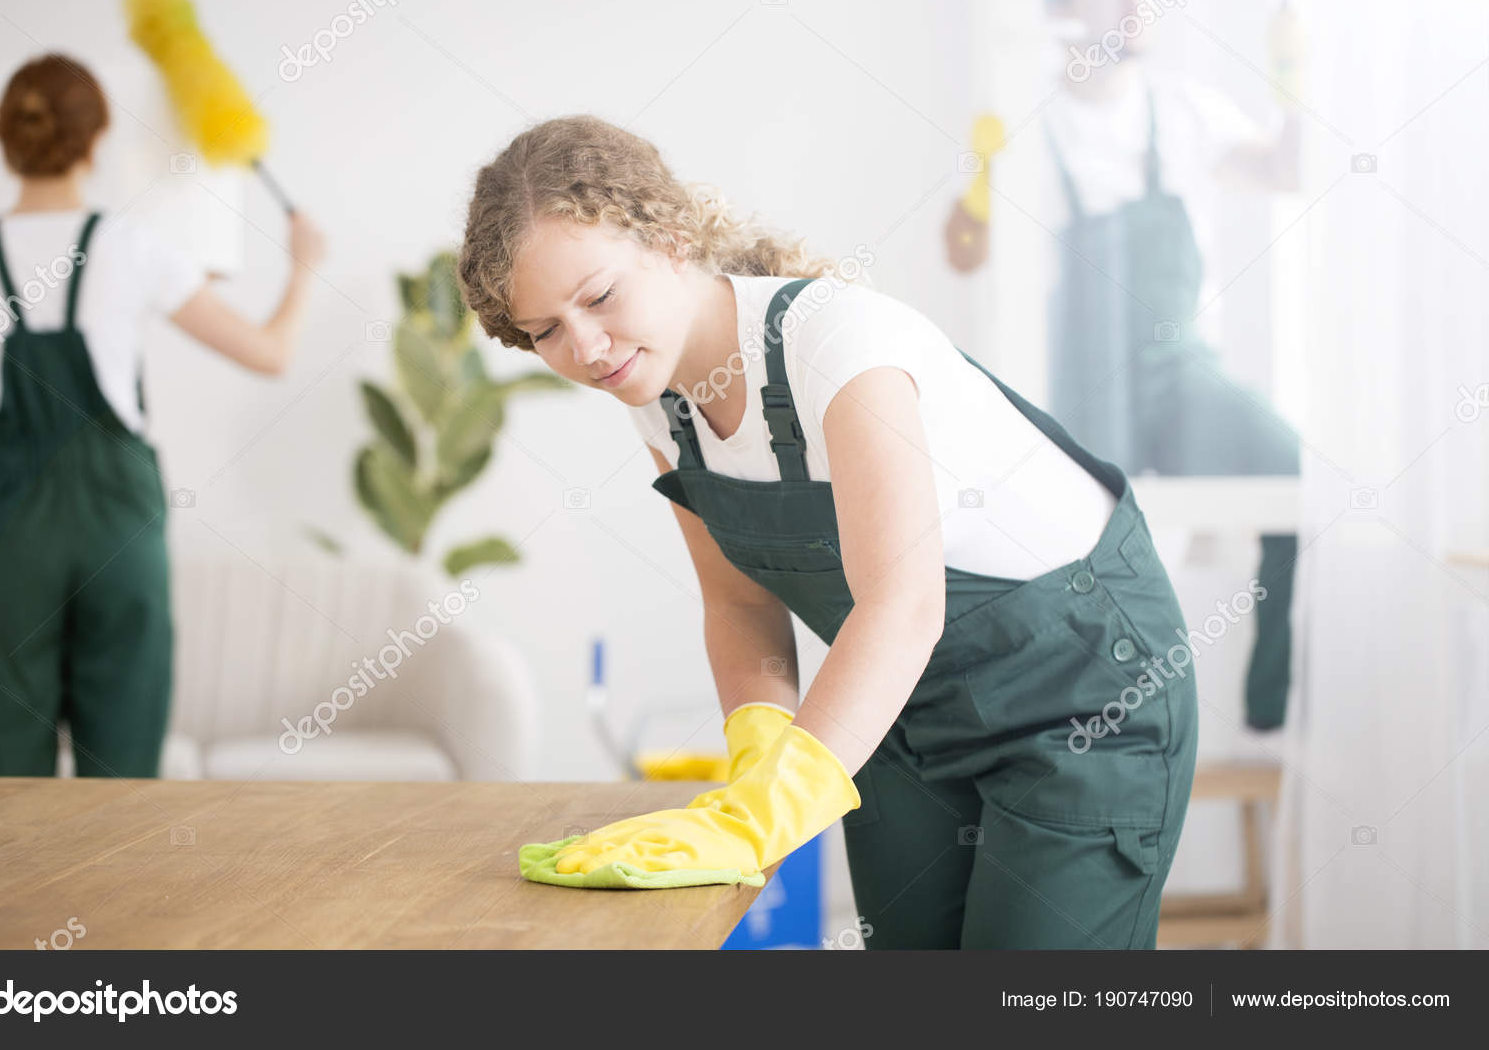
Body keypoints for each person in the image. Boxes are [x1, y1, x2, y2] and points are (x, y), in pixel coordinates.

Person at [457, 115, 1198, 948]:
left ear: (668, 239)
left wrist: (765, 818)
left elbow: (901, 605)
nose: (587, 347)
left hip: (1084, 696)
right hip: (903, 712)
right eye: (545, 330)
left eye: (598, 296)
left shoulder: (838, 345)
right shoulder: (662, 398)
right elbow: (738, 605)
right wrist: (755, 776)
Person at [0, 52, 326, 778]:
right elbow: (269, 353)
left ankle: (15, 893)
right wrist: (303, 269)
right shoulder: (132, 246)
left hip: (6, 527)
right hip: (115, 520)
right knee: (123, 751)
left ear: (7, 141)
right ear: (96, 140)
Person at [945, 0, 1302, 731]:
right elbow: (963, 255)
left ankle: (1268, 697)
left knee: (1294, 470)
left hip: (1178, 372)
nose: (1138, 6)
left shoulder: (1182, 109)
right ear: (1063, 12)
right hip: (1080, 386)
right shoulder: (1029, 121)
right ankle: (1075, 726)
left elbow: (1286, 172)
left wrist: (1293, 80)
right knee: (1075, 567)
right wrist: (981, 175)